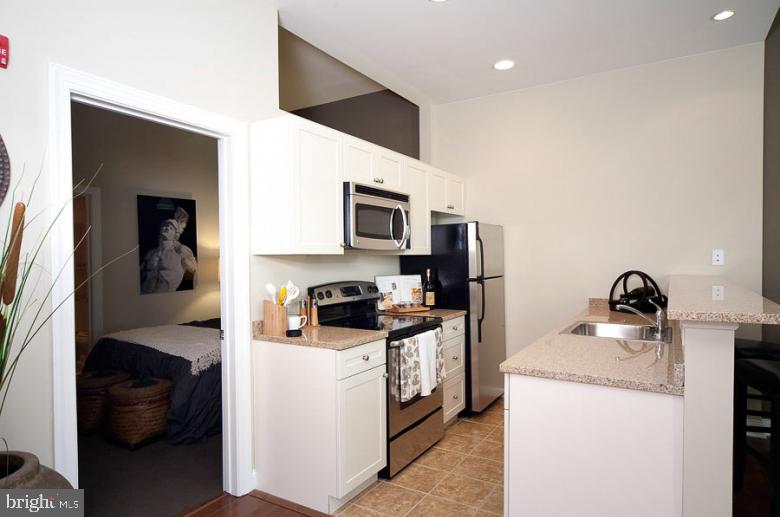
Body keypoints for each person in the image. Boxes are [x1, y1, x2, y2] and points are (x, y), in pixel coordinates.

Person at [140, 207, 197, 293]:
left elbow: (195, 271)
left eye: (171, 228)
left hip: (167, 297)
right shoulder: (150, 254)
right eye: (164, 226)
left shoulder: (180, 250)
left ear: (175, 235)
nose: (166, 228)